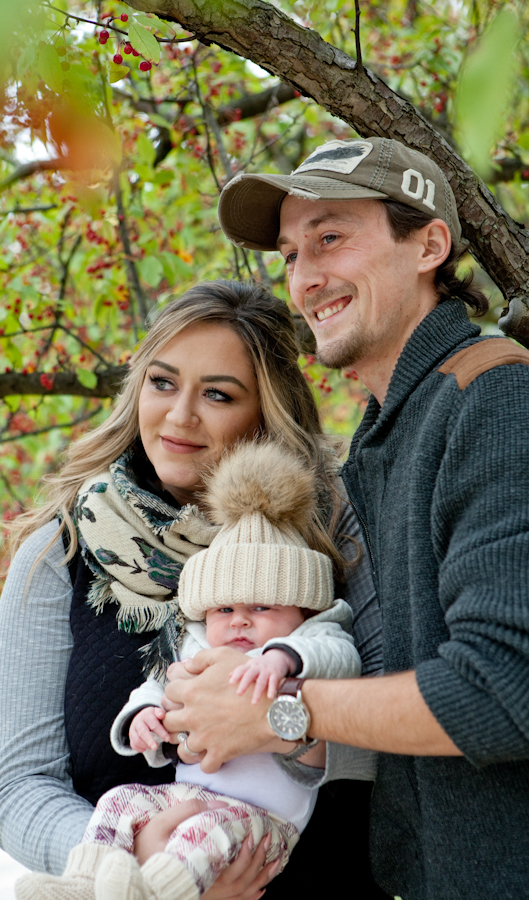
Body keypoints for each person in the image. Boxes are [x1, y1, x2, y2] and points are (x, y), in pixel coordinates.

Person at [155, 137, 529, 899]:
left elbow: (500, 692)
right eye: (291, 253)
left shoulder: (495, 403)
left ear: (427, 245)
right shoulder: (380, 438)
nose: (305, 277)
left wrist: (273, 711)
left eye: (330, 237)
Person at [0, 280, 383, 899]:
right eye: (162, 382)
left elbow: (397, 729)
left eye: (218, 395)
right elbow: (17, 785)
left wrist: (285, 723)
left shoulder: (331, 532)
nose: (180, 416)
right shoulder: (59, 551)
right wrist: (145, 860)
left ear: (266, 413)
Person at [17, 439, 368, 900]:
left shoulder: (307, 640)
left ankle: (156, 892)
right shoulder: (199, 645)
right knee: (119, 802)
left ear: (302, 608)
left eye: (262, 605)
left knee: (201, 837)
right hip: (191, 799)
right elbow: (160, 685)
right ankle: (87, 880)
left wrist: (283, 661)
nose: (240, 619)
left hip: (263, 824)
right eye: (223, 608)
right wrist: (144, 718)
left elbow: (342, 657)